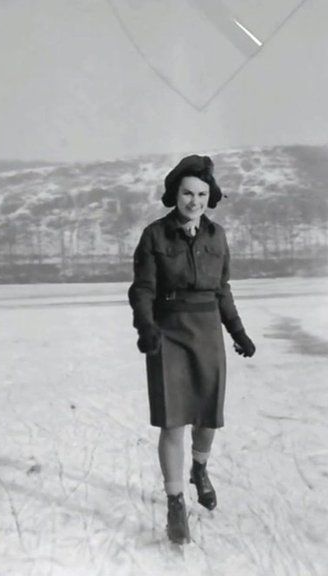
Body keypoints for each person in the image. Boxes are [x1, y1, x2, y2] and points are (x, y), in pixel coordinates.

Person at [128, 155, 256, 544]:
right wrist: (146, 328)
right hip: (168, 334)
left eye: (201, 194)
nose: (194, 201)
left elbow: (223, 289)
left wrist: (238, 331)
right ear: (175, 194)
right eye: (187, 193)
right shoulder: (154, 235)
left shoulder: (217, 236)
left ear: (209, 197)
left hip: (208, 332)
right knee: (172, 421)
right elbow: (143, 290)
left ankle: (199, 469)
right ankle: (175, 503)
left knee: (207, 418)